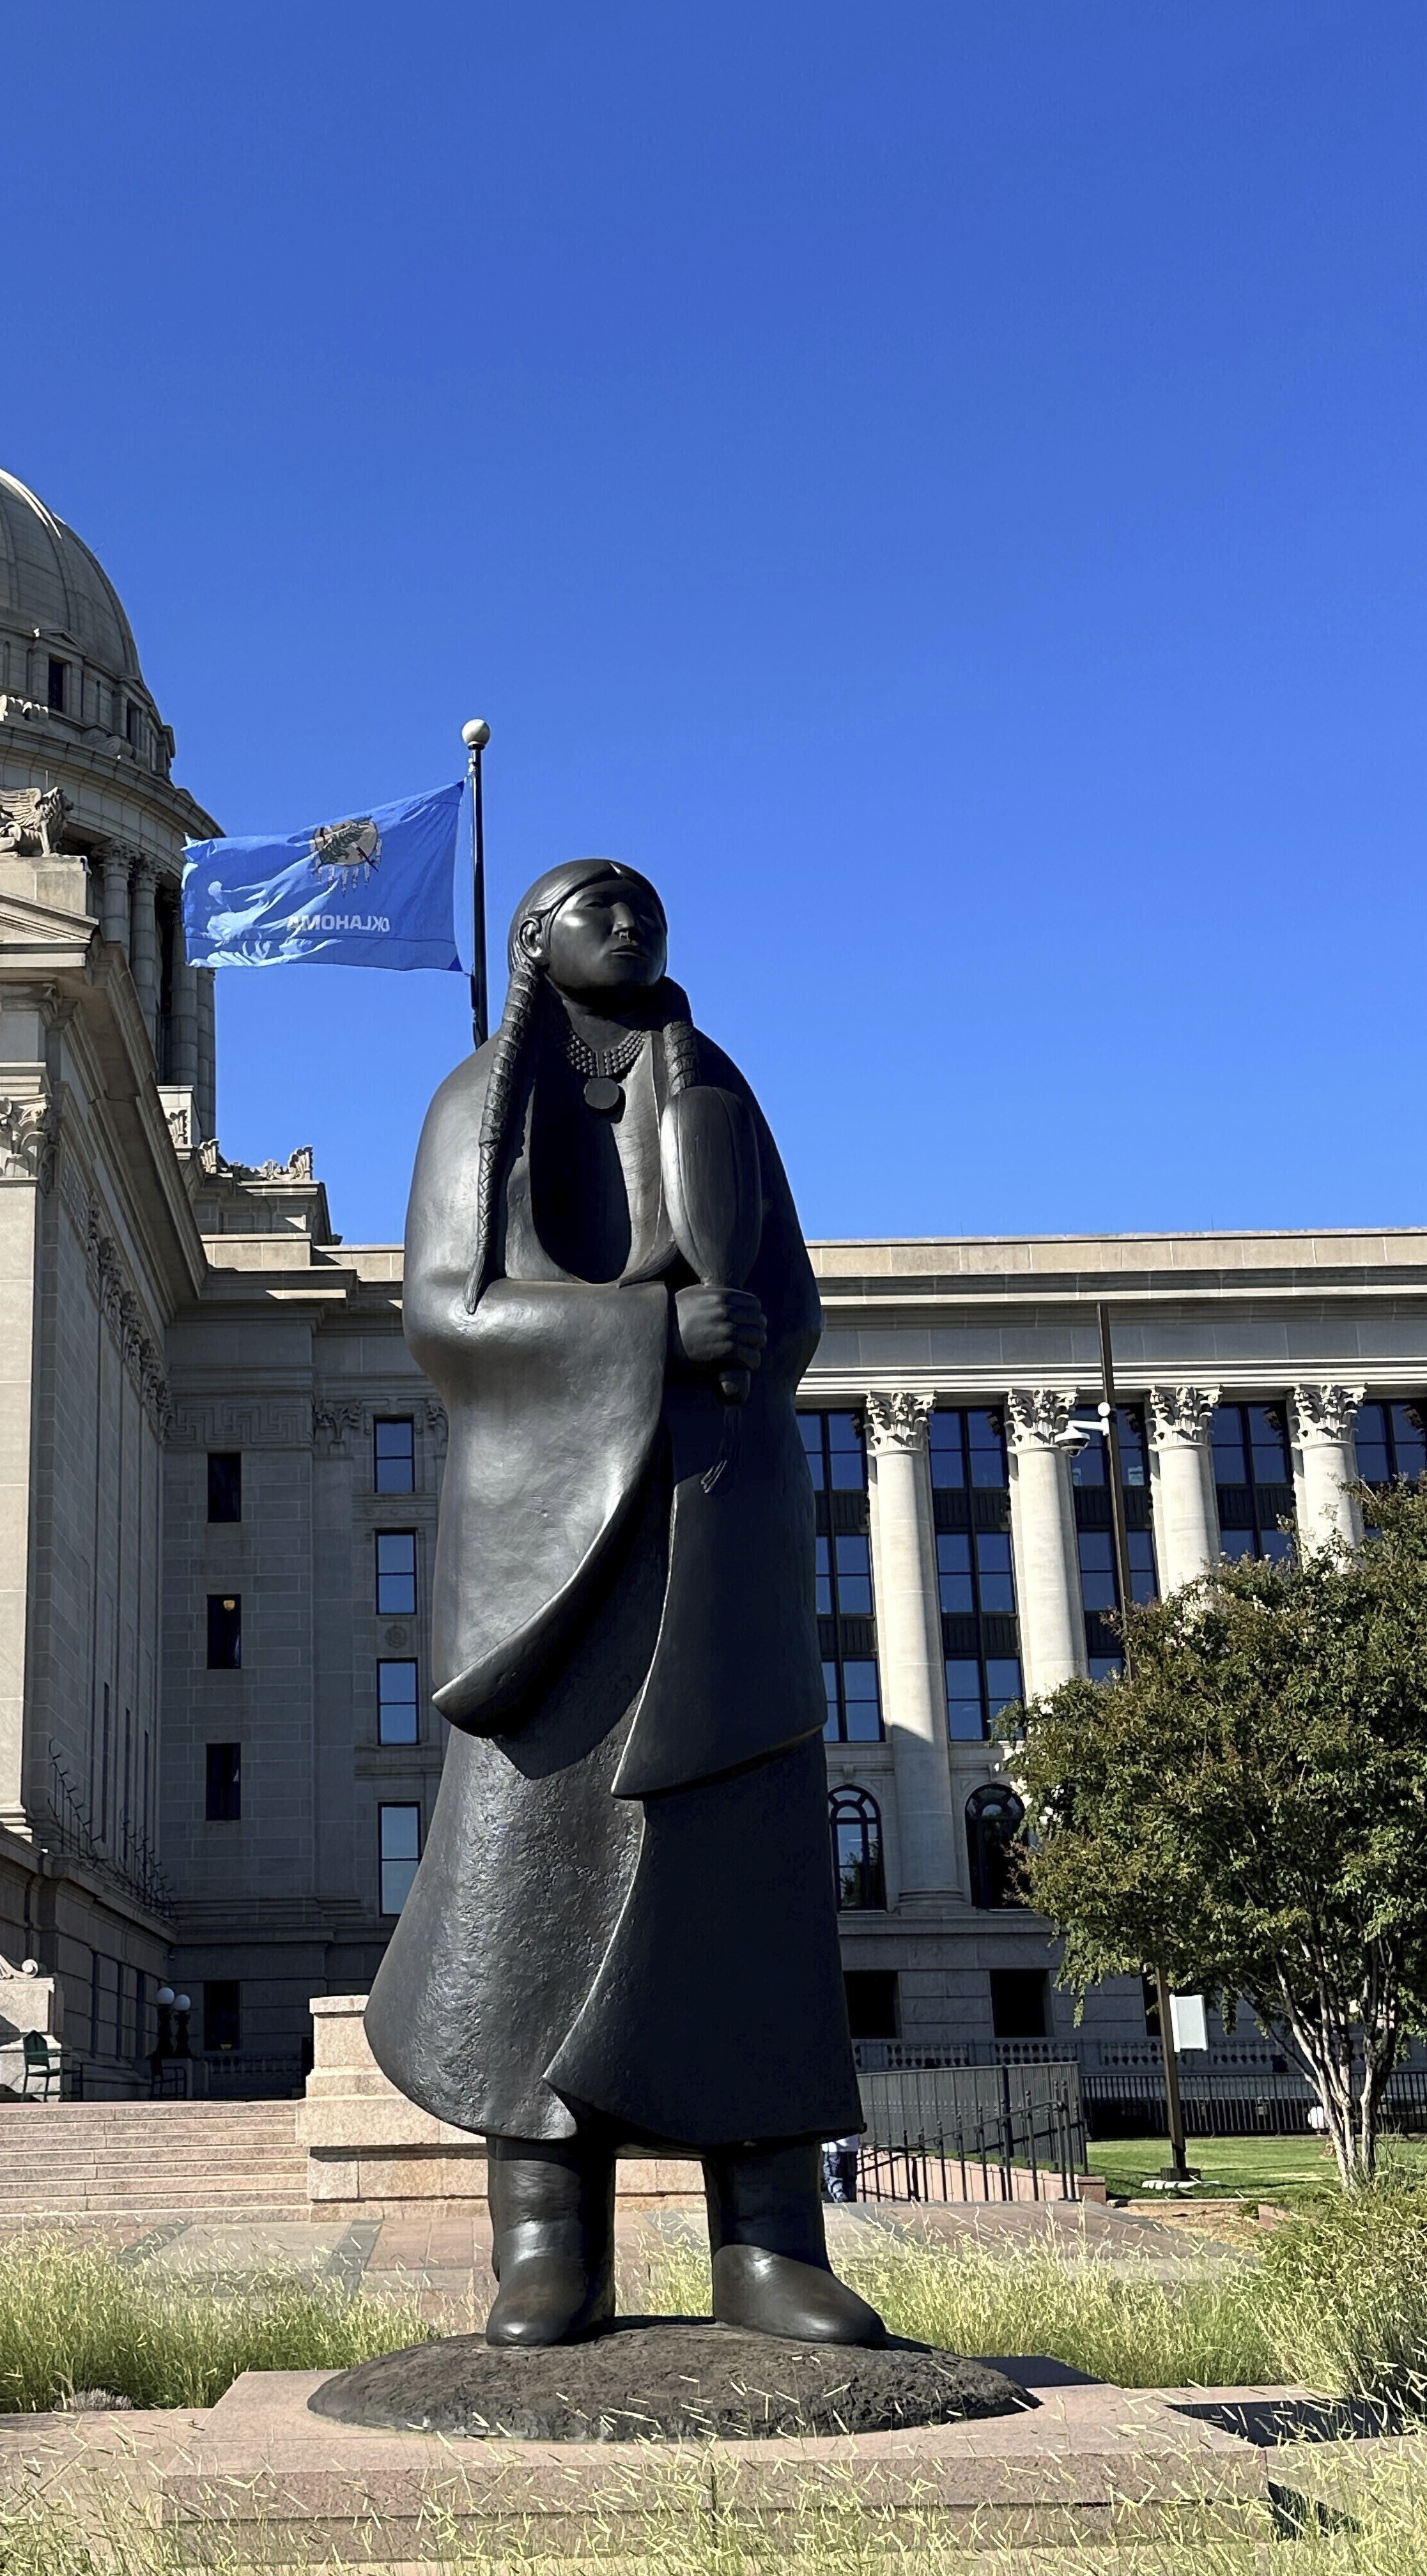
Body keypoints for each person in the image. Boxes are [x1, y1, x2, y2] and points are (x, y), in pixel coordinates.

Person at [365, 859, 884, 2349]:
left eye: (646, 902)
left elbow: (789, 1298)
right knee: (528, 1874)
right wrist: (653, 1333)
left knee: (743, 1870)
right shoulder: (478, 1107)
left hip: (712, 1526)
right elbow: (445, 1316)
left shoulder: (718, 1087)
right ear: (534, 938)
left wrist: (726, 1355)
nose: (633, 919)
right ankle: (546, 2244)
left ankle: (772, 2241)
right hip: (554, 1560)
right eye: (596, 903)